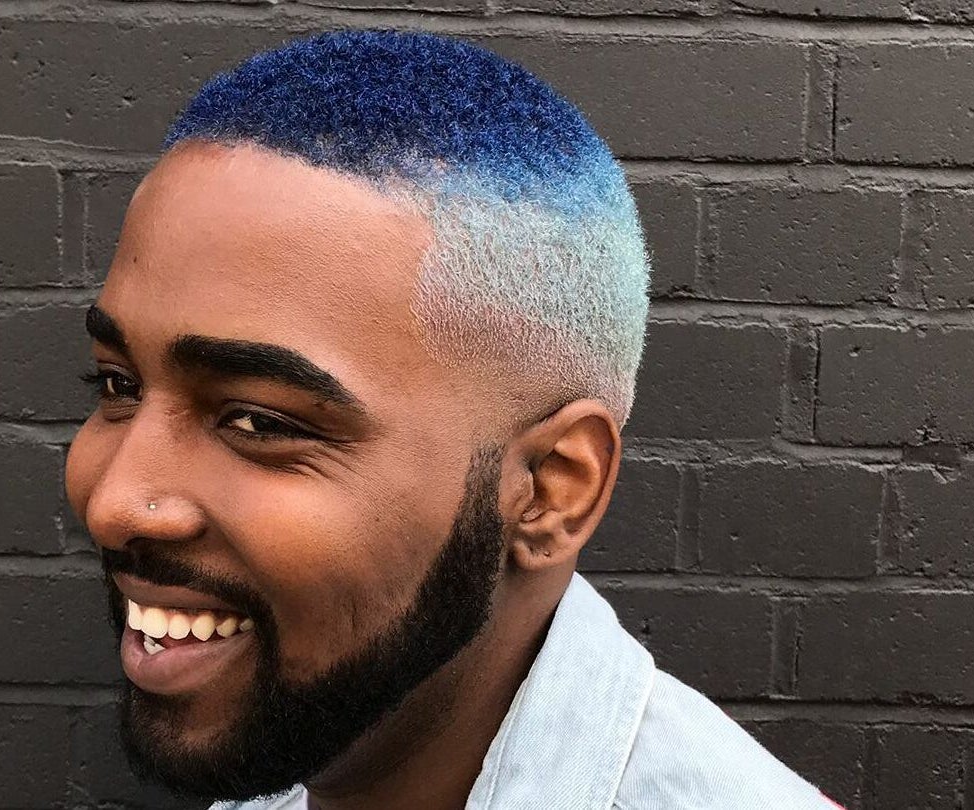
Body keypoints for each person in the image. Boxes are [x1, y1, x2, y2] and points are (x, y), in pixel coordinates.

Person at [64, 29, 841, 810]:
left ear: (548, 490)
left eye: (260, 423)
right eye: (117, 384)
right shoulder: (304, 742)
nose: (113, 503)